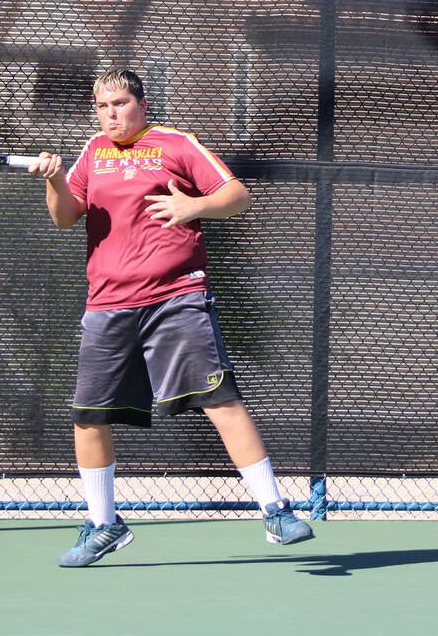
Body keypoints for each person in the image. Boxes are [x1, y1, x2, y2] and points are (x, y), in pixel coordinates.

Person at [29, 67, 314, 568]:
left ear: (142, 103)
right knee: (89, 417)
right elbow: (64, 216)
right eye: (102, 106)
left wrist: (192, 207)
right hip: (107, 304)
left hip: (177, 299)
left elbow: (238, 197)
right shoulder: (92, 153)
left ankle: (276, 510)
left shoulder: (177, 144)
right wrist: (54, 181)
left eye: (119, 103)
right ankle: (103, 526)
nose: (111, 114)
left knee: (221, 400)